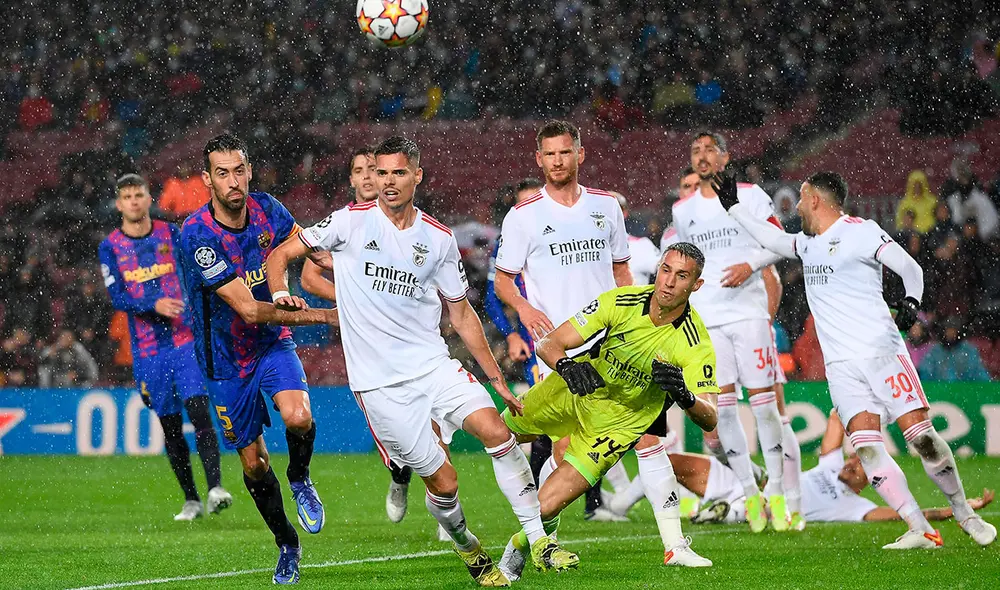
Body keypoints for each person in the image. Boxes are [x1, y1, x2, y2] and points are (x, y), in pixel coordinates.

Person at [266, 136, 574, 587]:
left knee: (496, 429)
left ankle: (537, 538)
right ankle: (469, 548)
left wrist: (498, 381)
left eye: (398, 173)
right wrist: (279, 292)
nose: (388, 182)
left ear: (417, 176)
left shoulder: (438, 238)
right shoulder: (349, 223)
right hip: (380, 386)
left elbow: (461, 313)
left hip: (432, 364)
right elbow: (283, 253)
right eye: (382, 173)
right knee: (444, 484)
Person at [721, 169, 997, 549]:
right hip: (842, 368)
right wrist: (733, 207)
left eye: (801, 198)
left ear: (814, 198)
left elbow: (910, 269)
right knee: (867, 448)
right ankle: (920, 528)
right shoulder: (807, 243)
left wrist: (912, 303)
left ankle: (965, 514)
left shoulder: (861, 231)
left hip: (880, 352)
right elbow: (770, 238)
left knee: (923, 439)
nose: (797, 206)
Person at [497, 243, 720, 580]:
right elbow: (548, 343)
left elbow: (710, 416)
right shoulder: (621, 300)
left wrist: (684, 395)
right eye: (666, 270)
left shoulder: (694, 342)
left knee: (543, 507)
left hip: (617, 425)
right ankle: (426, 474)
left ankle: (523, 543)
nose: (669, 282)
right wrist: (567, 367)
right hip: (574, 389)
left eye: (682, 275)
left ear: (696, 285)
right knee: (493, 431)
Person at [179, 133, 337, 584]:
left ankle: (301, 477)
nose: (233, 181)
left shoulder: (269, 209)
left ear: (249, 171)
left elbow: (299, 249)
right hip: (224, 360)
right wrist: (328, 315)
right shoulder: (198, 235)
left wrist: (342, 264)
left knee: (299, 417)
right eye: (222, 173)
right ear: (207, 179)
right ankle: (287, 542)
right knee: (254, 464)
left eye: (239, 170)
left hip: (270, 342)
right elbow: (247, 308)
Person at [494, 120, 634, 522]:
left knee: (630, 438)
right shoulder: (522, 215)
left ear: (580, 154)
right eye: (549, 154)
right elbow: (503, 281)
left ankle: (672, 541)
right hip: (555, 347)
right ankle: (540, 533)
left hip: (609, 338)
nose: (557, 161)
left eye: (565, 152)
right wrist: (523, 308)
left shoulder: (606, 205)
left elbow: (622, 272)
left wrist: (629, 321)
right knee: (565, 444)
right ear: (539, 160)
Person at [661, 131, 793, 532]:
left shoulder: (750, 195)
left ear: (725, 157)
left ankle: (778, 495)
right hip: (707, 319)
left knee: (765, 405)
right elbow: (685, 263)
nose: (702, 156)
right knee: (723, 410)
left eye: (709, 150)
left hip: (748, 312)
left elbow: (781, 242)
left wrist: (749, 265)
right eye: (695, 150)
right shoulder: (683, 210)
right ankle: (750, 492)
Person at [98, 173, 231, 522]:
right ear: (119, 203)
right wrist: (154, 303)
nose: (134, 201)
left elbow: (194, 273)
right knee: (170, 426)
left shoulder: (170, 234)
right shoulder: (110, 246)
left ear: (147, 198)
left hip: (185, 341)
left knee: (200, 411)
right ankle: (191, 499)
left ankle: (215, 488)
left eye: (139, 194)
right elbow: (117, 297)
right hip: (147, 353)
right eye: (126, 196)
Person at [683, 411, 994, 526]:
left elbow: (911, 515)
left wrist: (959, 508)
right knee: (673, 462)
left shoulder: (855, 507)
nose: (851, 461)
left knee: (761, 509)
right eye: (854, 457)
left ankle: (724, 512)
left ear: (871, 481)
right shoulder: (830, 465)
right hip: (756, 483)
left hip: (770, 509)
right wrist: (872, 411)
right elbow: (835, 416)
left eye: (860, 465)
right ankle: (715, 506)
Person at [917, 316, 992, 382]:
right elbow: (925, 373)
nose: (950, 333)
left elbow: (980, 374)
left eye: (953, 330)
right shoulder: (935, 351)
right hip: (940, 393)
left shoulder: (969, 350)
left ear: (958, 332)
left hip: (965, 393)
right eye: (948, 330)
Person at [615, 192, 661, 285]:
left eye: (610, 210)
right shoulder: (582, 245)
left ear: (623, 213)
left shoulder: (642, 245)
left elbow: (668, 269)